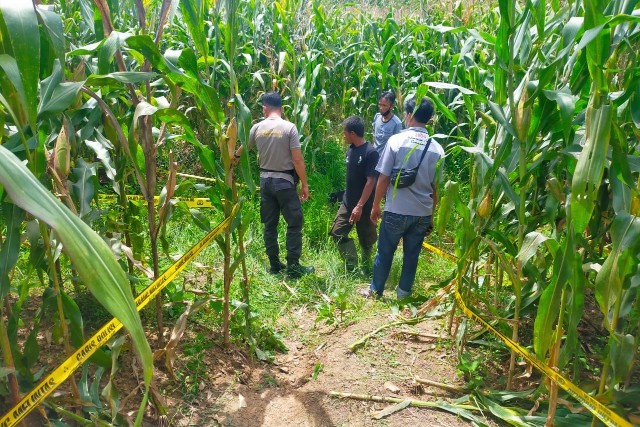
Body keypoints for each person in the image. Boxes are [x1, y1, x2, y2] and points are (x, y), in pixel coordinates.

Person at [360, 96, 444, 299]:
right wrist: (431, 216)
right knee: (412, 255)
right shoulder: (437, 149)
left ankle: (376, 290)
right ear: (429, 118)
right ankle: (403, 295)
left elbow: (383, 178)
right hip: (421, 213)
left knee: (385, 251)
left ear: (408, 115)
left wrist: (376, 205)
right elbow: (435, 189)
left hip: (396, 209)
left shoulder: (396, 141)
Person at [233, 92, 314, 278]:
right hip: (284, 182)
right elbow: (297, 159)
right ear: (281, 107)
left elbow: (244, 147)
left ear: (265, 107)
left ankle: (274, 265)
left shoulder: (257, 127)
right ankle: (293, 267)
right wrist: (304, 184)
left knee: (270, 224)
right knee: (294, 223)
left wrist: (235, 158)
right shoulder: (289, 128)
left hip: (265, 182)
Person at [329, 116, 379, 276]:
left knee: (367, 239)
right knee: (337, 232)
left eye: (344, 132)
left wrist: (360, 206)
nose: (343, 135)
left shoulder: (371, 153)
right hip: (347, 202)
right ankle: (352, 266)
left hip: (364, 205)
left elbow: (370, 182)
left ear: (352, 133)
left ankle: (366, 267)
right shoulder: (350, 149)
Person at [372, 91, 403, 157]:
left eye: (384, 105)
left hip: (385, 160)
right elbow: (374, 138)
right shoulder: (377, 117)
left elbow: (397, 146)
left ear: (391, 106)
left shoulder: (396, 123)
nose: (381, 108)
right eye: (380, 104)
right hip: (374, 157)